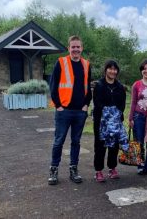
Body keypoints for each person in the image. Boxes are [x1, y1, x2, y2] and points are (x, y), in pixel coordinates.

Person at [48, 35, 92, 185]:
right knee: (58, 141)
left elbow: (88, 87)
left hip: (80, 111)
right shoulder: (61, 62)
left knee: (76, 142)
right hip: (64, 111)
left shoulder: (86, 64)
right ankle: (53, 170)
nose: (76, 49)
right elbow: (53, 86)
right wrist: (58, 106)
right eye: (73, 47)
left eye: (78, 47)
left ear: (82, 48)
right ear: (69, 48)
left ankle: (74, 169)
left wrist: (86, 104)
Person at [93, 60, 126, 182]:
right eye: (110, 69)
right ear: (106, 70)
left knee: (114, 146)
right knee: (100, 146)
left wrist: (116, 115)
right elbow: (97, 103)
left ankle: (112, 168)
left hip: (116, 122)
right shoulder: (99, 85)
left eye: (115, 69)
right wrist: (108, 114)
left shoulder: (120, 87)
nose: (113, 71)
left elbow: (122, 104)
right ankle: (99, 171)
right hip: (102, 122)